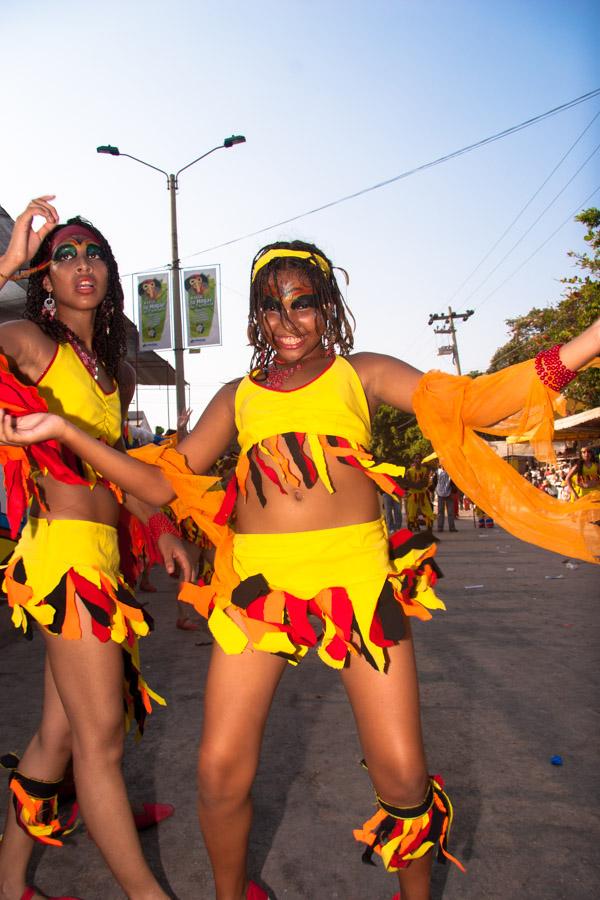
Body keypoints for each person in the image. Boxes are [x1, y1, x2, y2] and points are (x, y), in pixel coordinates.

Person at [2, 240, 599, 900]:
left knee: (402, 776)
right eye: (269, 308)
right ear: (256, 317)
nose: (286, 322)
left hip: (358, 584)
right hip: (261, 593)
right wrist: (64, 428)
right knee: (220, 772)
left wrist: (589, 341)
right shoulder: (239, 395)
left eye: (302, 304)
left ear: (329, 308)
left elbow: (475, 402)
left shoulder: (360, 373)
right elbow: (157, 484)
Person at [0, 196, 193, 900]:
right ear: (44, 280)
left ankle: (10, 883)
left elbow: (114, 469)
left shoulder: (116, 371)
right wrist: (8, 261)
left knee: (57, 740)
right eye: (66, 255)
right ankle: (148, 895)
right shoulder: (29, 342)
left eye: (96, 254)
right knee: (100, 742)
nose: (84, 265)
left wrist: (161, 528)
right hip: (63, 561)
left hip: (102, 560)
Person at [405, 454, 434, 531]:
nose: (418, 460)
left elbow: (426, 482)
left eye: (419, 459)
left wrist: (420, 484)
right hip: (413, 495)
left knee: (428, 511)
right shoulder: (409, 471)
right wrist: (417, 485)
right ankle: (412, 524)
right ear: (414, 460)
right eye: (416, 458)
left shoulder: (425, 470)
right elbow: (408, 483)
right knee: (411, 512)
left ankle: (429, 524)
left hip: (422, 494)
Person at [434, 465, 457, 532]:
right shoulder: (438, 472)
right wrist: (435, 489)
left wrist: (454, 490)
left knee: (450, 512)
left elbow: (454, 482)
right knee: (440, 512)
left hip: (449, 493)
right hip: (440, 493)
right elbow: (434, 481)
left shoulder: (451, 472)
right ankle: (440, 527)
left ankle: (452, 528)